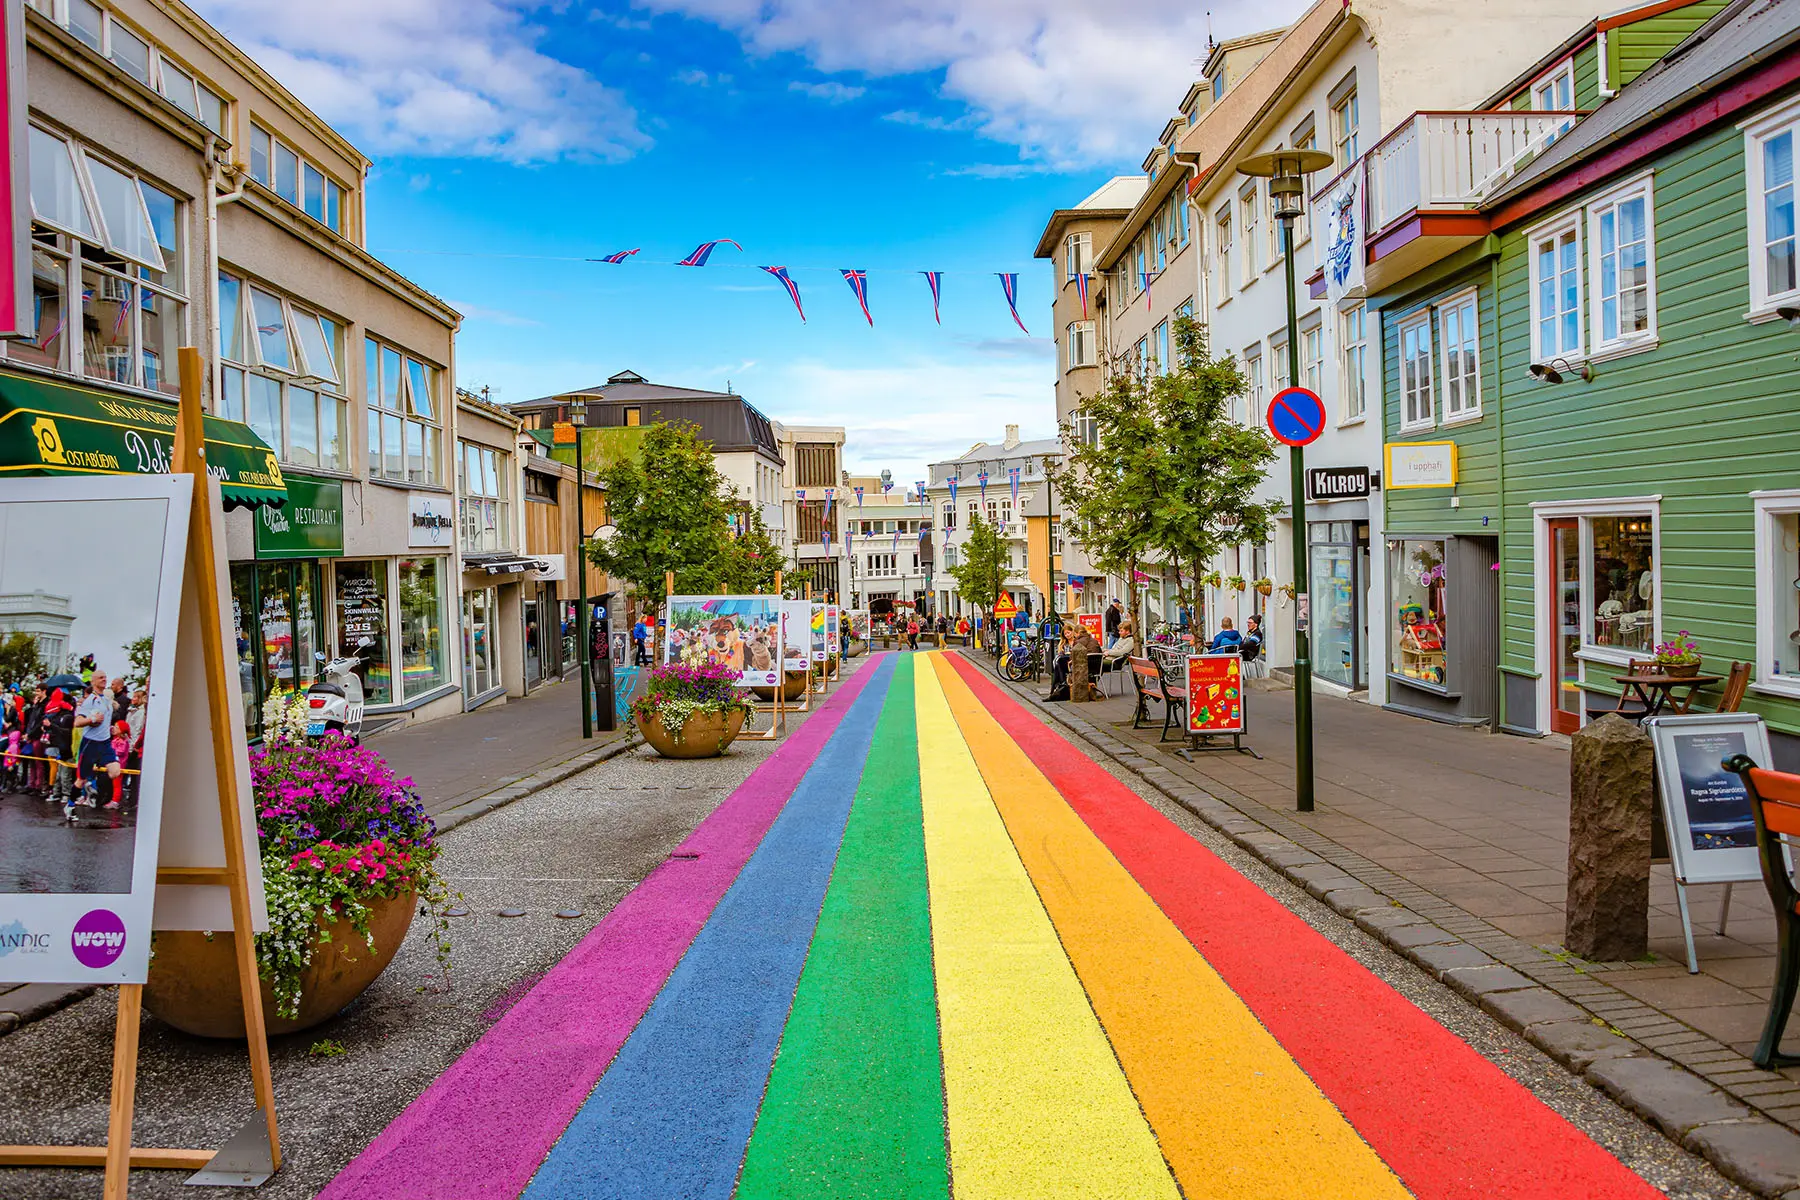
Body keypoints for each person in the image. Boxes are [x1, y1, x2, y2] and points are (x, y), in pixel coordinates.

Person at [74, 672, 122, 812]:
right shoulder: (89, 700)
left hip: (105, 743)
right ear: (93, 681)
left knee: (115, 771)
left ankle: (92, 784)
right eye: (101, 677)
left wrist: (110, 728)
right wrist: (92, 720)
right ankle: (70, 805)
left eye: (105, 677)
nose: (104, 679)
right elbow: (77, 722)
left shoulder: (106, 700)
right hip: (91, 743)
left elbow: (108, 717)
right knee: (80, 780)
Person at [1240, 614, 1267, 679]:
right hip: (1245, 652)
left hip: (1250, 655)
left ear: (1256, 624)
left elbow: (1250, 644)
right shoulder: (1250, 632)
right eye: (1248, 622)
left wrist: (1239, 647)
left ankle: (1239, 677)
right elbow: (1243, 643)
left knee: (1233, 657)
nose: (1248, 624)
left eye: (1250, 623)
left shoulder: (1257, 634)